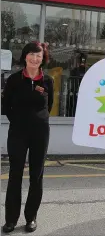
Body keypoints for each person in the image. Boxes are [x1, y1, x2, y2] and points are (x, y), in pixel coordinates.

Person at [1, 42, 54, 233]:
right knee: (15, 175)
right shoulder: (14, 79)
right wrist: (20, 121)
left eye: (39, 56)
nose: (35, 58)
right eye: (32, 54)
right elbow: (5, 106)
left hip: (40, 133)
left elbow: (49, 106)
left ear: (43, 59)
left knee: (36, 176)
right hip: (18, 133)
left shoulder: (47, 80)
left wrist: (37, 121)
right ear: (25, 56)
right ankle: (11, 220)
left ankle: (31, 217)